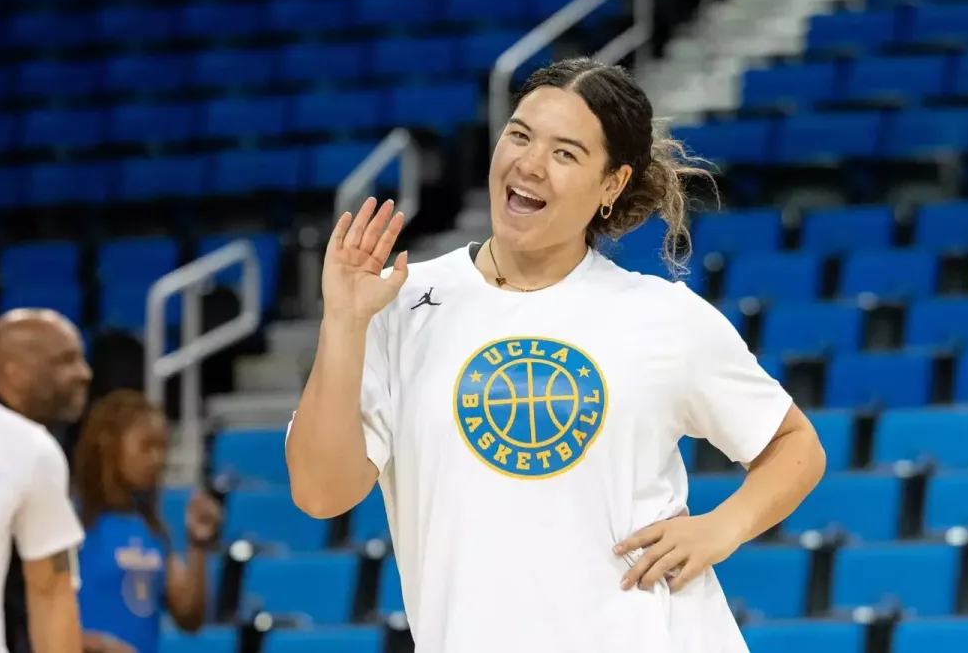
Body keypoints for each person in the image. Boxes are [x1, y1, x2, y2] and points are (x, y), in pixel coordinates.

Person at [286, 57, 826, 653]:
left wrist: (722, 528)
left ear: (611, 185)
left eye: (565, 153)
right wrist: (343, 321)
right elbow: (321, 493)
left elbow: (795, 446)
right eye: (519, 135)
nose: (529, 164)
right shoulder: (397, 302)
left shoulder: (661, 316)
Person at [0, 308, 94, 653]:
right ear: (15, 372)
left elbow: (52, 587)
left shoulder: (32, 448)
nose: (85, 374)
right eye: (66, 361)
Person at [73, 390, 221, 653]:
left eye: (163, 447)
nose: (158, 459)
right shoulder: (73, 523)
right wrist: (97, 645)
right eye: (147, 446)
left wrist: (198, 544)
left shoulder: (153, 530)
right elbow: (36, 611)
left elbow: (190, 618)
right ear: (108, 444)